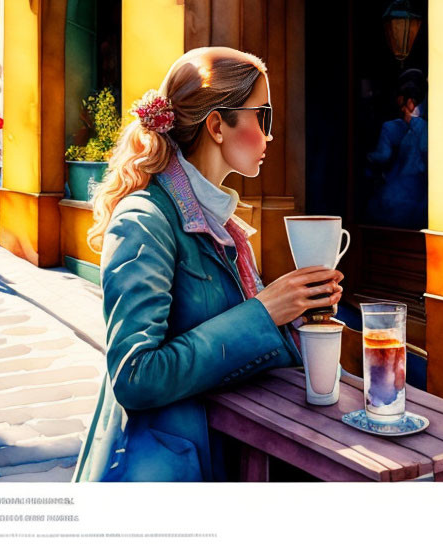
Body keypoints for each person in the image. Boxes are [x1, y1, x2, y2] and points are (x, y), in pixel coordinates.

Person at [73, 47, 344, 482]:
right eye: (264, 117)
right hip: (174, 465)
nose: (270, 137)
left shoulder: (223, 224)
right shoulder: (145, 219)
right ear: (218, 125)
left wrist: (301, 312)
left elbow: (236, 341)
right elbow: (135, 375)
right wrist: (265, 311)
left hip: (237, 448)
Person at [365, 71, 429, 229]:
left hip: (397, 195)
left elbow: (383, 155)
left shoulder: (392, 127)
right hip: (418, 195)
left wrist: (367, 158)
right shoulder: (424, 127)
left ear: (408, 101)